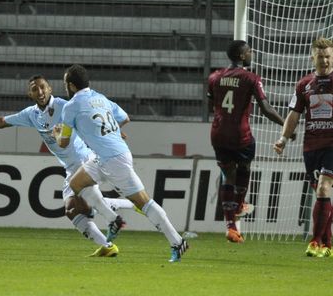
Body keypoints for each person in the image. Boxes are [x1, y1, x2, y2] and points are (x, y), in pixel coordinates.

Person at [0, 74, 135, 257]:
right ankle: (112, 235)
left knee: (80, 206)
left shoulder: (65, 106)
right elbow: (1, 122)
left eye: (43, 87)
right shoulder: (31, 114)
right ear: (30, 93)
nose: (40, 91)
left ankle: (112, 231)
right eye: (35, 89)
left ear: (50, 89)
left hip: (85, 161)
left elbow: (93, 117)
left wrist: (114, 132)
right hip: (70, 167)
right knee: (73, 209)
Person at [55, 64, 189, 263]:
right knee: (76, 184)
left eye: (66, 83)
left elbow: (64, 142)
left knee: (144, 202)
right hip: (102, 157)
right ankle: (112, 219)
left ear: (71, 85)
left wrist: (57, 134)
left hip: (114, 160)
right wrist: (109, 132)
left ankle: (178, 242)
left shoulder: (70, 106)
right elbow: (125, 117)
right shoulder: (100, 98)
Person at [208, 40, 286, 243]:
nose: (251, 54)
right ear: (242, 56)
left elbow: (212, 105)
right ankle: (240, 203)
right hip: (240, 135)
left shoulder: (215, 77)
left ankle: (230, 227)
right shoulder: (251, 78)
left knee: (227, 175)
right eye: (249, 51)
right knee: (244, 168)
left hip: (218, 133)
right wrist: (286, 125)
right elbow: (266, 109)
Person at [274, 37, 333, 258]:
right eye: (320, 57)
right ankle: (328, 243)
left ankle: (315, 242)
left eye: (328, 56)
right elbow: (294, 115)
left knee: (323, 189)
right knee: (321, 196)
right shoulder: (304, 84)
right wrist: (282, 139)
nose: (324, 61)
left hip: (332, 145)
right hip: (311, 147)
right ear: (312, 57)